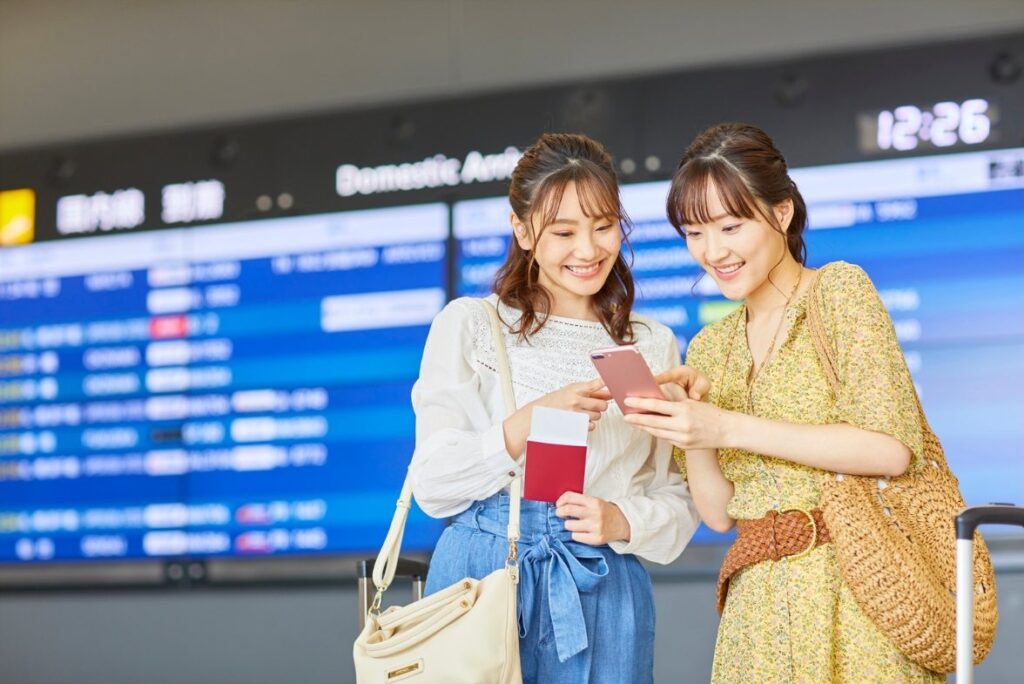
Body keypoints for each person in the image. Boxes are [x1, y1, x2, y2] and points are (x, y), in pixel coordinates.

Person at [623, 122, 944, 683]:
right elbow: (720, 513)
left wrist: (725, 427)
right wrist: (691, 432)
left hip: (859, 597)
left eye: (731, 225)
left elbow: (891, 451)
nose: (712, 251)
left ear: (782, 213)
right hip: (757, 614)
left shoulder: (838, 292)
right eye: (695, 232)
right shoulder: (711, 346)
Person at [408, 132, 699, 683]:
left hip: (600, 577)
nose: (587, 251)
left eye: (604, 227)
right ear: (522, 230)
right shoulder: (472, 325)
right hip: (481, 574)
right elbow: (433, 485)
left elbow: (677, 499)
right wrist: (527, 423)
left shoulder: (651, 343)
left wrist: (622, 519)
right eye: (563, 232)